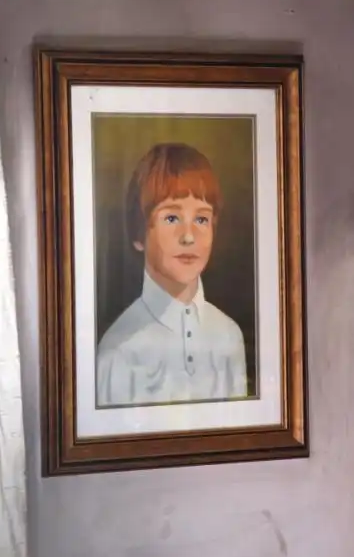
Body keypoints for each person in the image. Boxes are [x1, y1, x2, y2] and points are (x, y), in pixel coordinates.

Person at [96, 142, 247, 407]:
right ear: (139, 233)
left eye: (201, 219)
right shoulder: (118, 351)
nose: (188, 237)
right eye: (172, 218)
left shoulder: (229, 336)